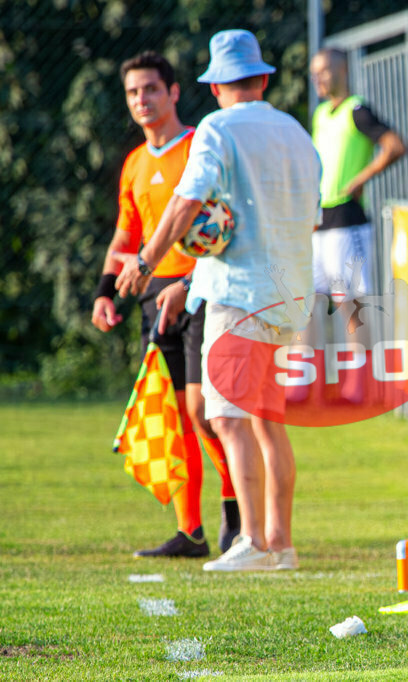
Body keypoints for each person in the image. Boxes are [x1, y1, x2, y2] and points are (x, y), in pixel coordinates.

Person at [116, 30, 322, 572]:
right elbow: (312, 216)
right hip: (289, 293)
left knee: (226, 417)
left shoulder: (217, 128)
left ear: (214, 85)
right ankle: (280, 542)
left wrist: (147, 261)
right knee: (267, 420)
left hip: (239, 296)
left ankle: (252, 540)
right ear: (263, 78)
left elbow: (186, 203)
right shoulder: (297, 132)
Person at [91, 51, 238, 558]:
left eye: (151, 89)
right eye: (133, 92)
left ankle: (236, 512)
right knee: (175, 416)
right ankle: (190, 532)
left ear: (173, 92)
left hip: (204, 289)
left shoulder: (201, 145)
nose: (141, 100)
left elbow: (225, 224)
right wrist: (105, 293)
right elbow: (125, 236)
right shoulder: (134, 163)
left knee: (204, 412)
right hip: (154, 296)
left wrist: (189, 281)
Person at [308, 47, 406, 296]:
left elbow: (395, 146)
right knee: (308, 302)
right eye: (314, 74)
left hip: (346, 217)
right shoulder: (320, 114)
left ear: (342, 69)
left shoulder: (357, 110)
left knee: (350, 307)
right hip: (319, 218)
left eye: (323, 72)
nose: (317, 79)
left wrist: (360, 179)